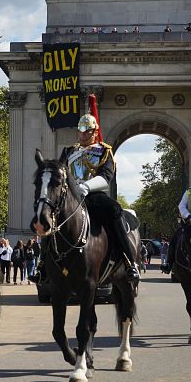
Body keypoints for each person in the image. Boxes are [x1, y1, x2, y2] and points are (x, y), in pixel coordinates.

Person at [62, 95, 141, 281]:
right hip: (71, 196)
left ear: (94, 132)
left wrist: (86, 187)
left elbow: (106, 177)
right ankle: (43, 266)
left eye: (87, 130)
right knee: (51, 216)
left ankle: (130, 262)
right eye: (80, 130)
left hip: (93, 196)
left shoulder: (104, 150)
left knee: (115, 211)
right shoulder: (69, 151)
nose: (82, 134)